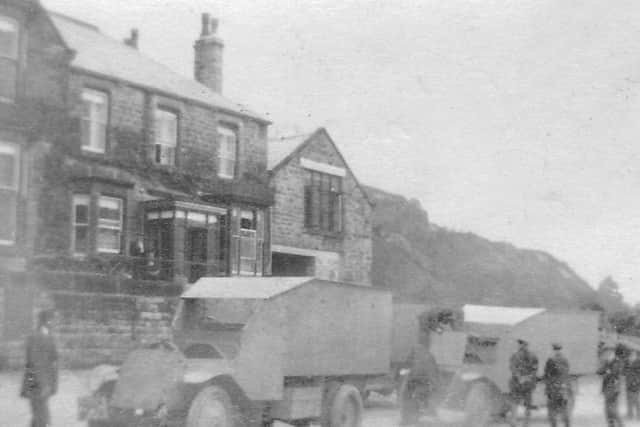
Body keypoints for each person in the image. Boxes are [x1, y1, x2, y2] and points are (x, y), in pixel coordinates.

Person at [20, 310, 59, 427]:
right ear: (47, 321)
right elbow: (34, 362)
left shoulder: (45, 335)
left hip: (38, 381)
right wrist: (44, 385)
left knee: (38, 414)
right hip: (38, 381)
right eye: (53, 320)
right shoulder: (38, 337)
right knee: (41, 415)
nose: (55, 323)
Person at [399, 334, 438, 425]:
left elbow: (406, 366)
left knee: (410, 398)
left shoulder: (415, 353)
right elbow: (434, 372)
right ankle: (412, 418)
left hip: (417, 383)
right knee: (413, 398)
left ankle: (410, 419)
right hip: (419, 383)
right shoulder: (429, 355)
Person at [508, 338, 539, 427]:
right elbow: (534, 369)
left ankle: (515, 422)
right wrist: (528, 377)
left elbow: (512, 368)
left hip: (518, 383)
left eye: (521, 344)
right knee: (527, 404)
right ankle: (525, 423)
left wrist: (520, 377)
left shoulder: (515, 355)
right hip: (527, 383)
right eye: (520, 344)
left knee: (515, 402)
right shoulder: (533, 355)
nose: (520, 346)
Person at [542, 343, 571, 427]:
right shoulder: (565, 360)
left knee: (552, 410)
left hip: (553, 388)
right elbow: (566, 373)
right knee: (564, 409)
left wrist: (547, 385)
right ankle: (567, 424)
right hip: (562, 388)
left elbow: (547, 374)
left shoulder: (550, 360)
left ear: (553, 350)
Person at [598, 345, 625, 427]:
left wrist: (606, 372)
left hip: (612, 388)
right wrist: (606, 365)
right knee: (609, 410)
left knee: (611, 410)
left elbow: (612, 374)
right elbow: (599, 371)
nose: (608, 354)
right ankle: (612, 424)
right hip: (609, 388)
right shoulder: (611, 362)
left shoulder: (617, 362)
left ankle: (619, 425)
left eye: (609, 352)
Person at [625, 350, 640, 419]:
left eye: (633, 355)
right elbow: (625, 371)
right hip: (628, 382)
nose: (631, 356)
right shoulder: (628, 362)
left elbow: (638, 373)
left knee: (635, 399)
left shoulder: (638, 363)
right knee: (629, 399)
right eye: (631, 355)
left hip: (635, 383)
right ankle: (630, 414)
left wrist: (636, 381)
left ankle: (638, 414)